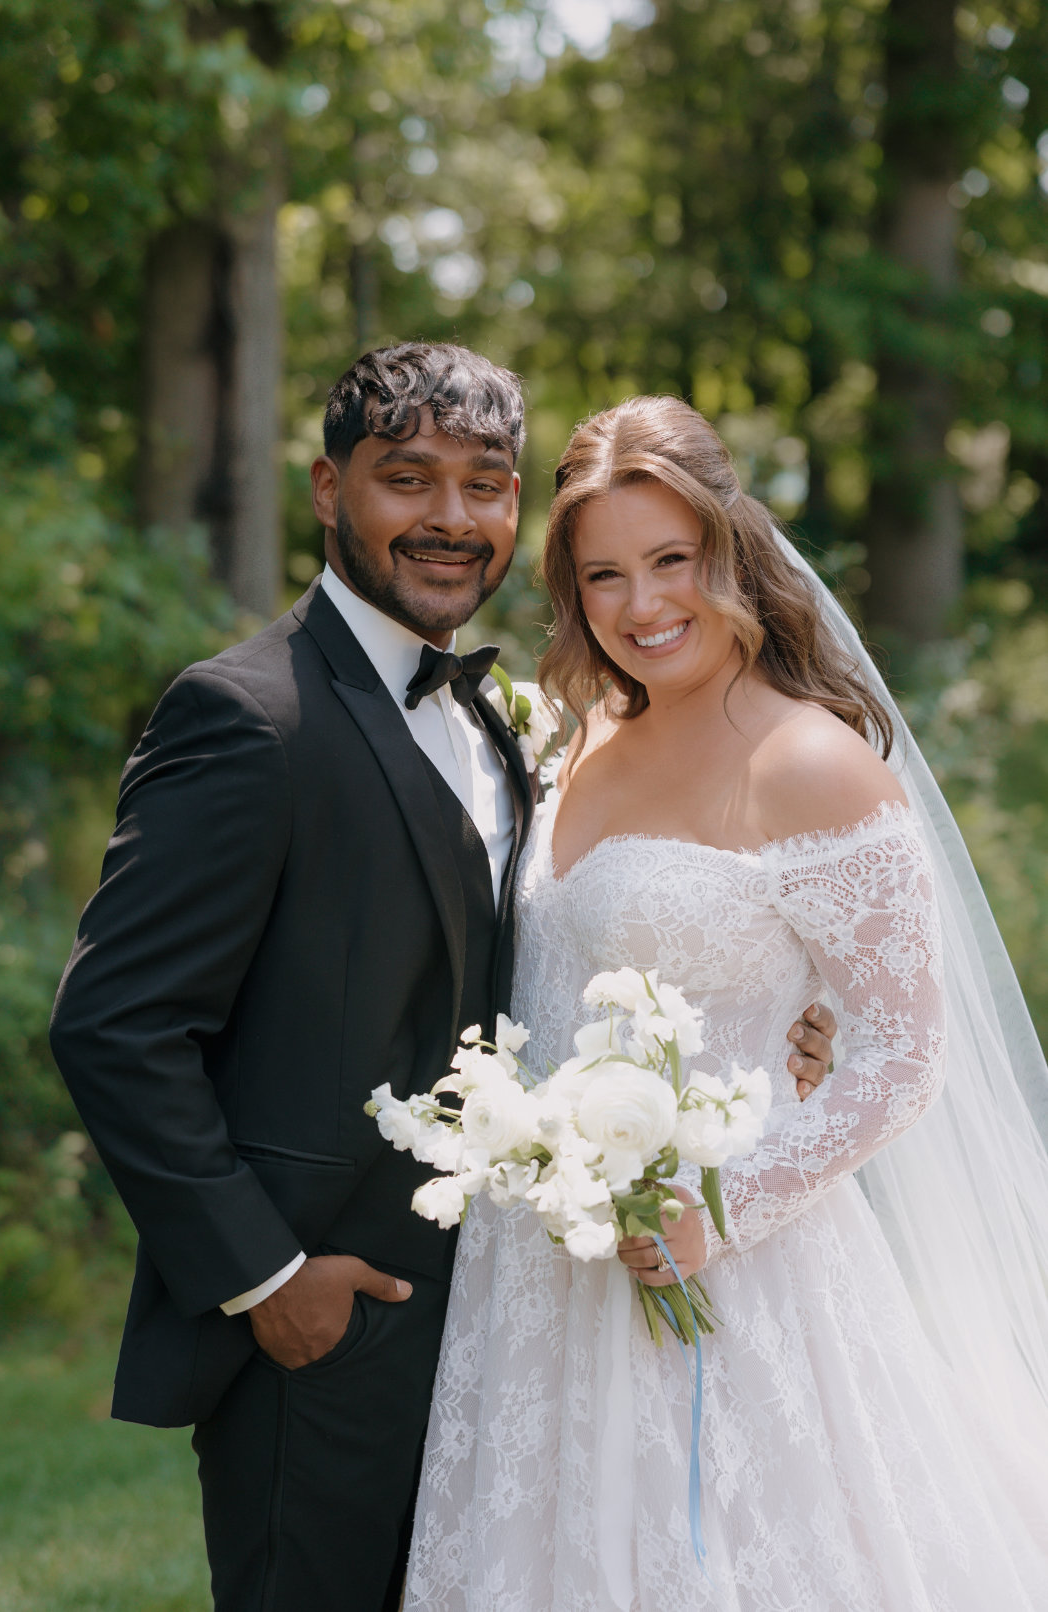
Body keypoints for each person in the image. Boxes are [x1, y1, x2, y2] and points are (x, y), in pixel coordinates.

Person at [49, 349, 837, 1612]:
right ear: (327, 487)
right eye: (406, 479)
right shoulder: (246, 717)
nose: (450, 519)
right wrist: (266, 1278)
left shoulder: (510, 725)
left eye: (484, 485)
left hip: (515, 1329)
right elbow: (114, 1024)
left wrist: (799, 1013)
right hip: (326, 1331)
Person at [404, 395, 1048, 1611]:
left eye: (670, 562)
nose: (642, 606)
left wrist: (720, 1210)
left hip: (735, 1268)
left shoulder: (807, 761)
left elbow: (903, 1054)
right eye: (604, 575)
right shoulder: (581, 735)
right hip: (542, 1272)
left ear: (731, 549)